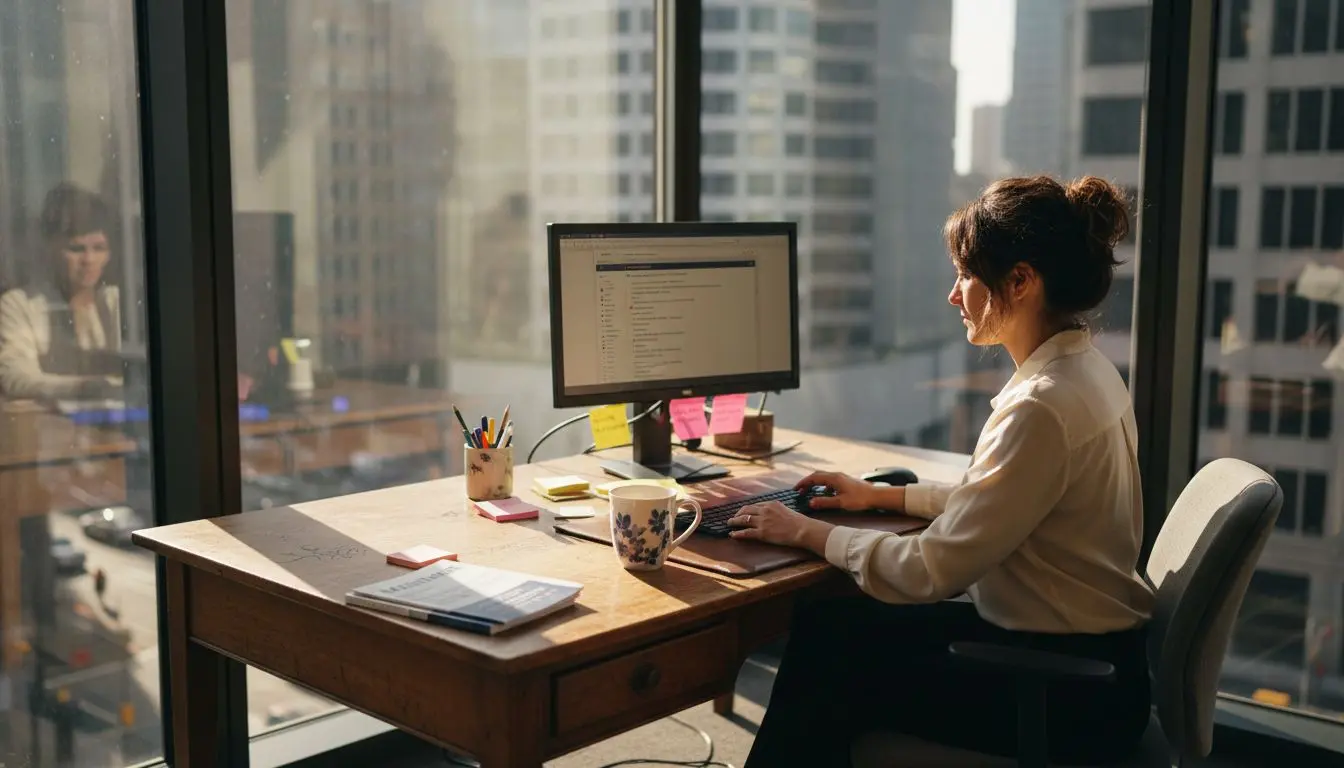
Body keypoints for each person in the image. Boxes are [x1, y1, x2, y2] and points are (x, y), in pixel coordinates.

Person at [727, 175, 1156, 766]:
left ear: (1021, 281)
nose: (954, 296)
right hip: (1097, 665)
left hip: (1065, 692)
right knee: (832, 628)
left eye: (965, 276)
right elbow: (1004, 501)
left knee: (827, 652)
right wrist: (883, 497)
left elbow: (929, 570)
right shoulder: (1085, 372)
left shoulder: (1041, 406)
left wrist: (808, 532)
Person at [0, 183, 122, 402]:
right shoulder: (19, 304)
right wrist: (84, 388)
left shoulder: (117, 302)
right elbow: (15, 376)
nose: (88, 260)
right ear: (50, 247)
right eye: (76, 249)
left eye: (99, 248)